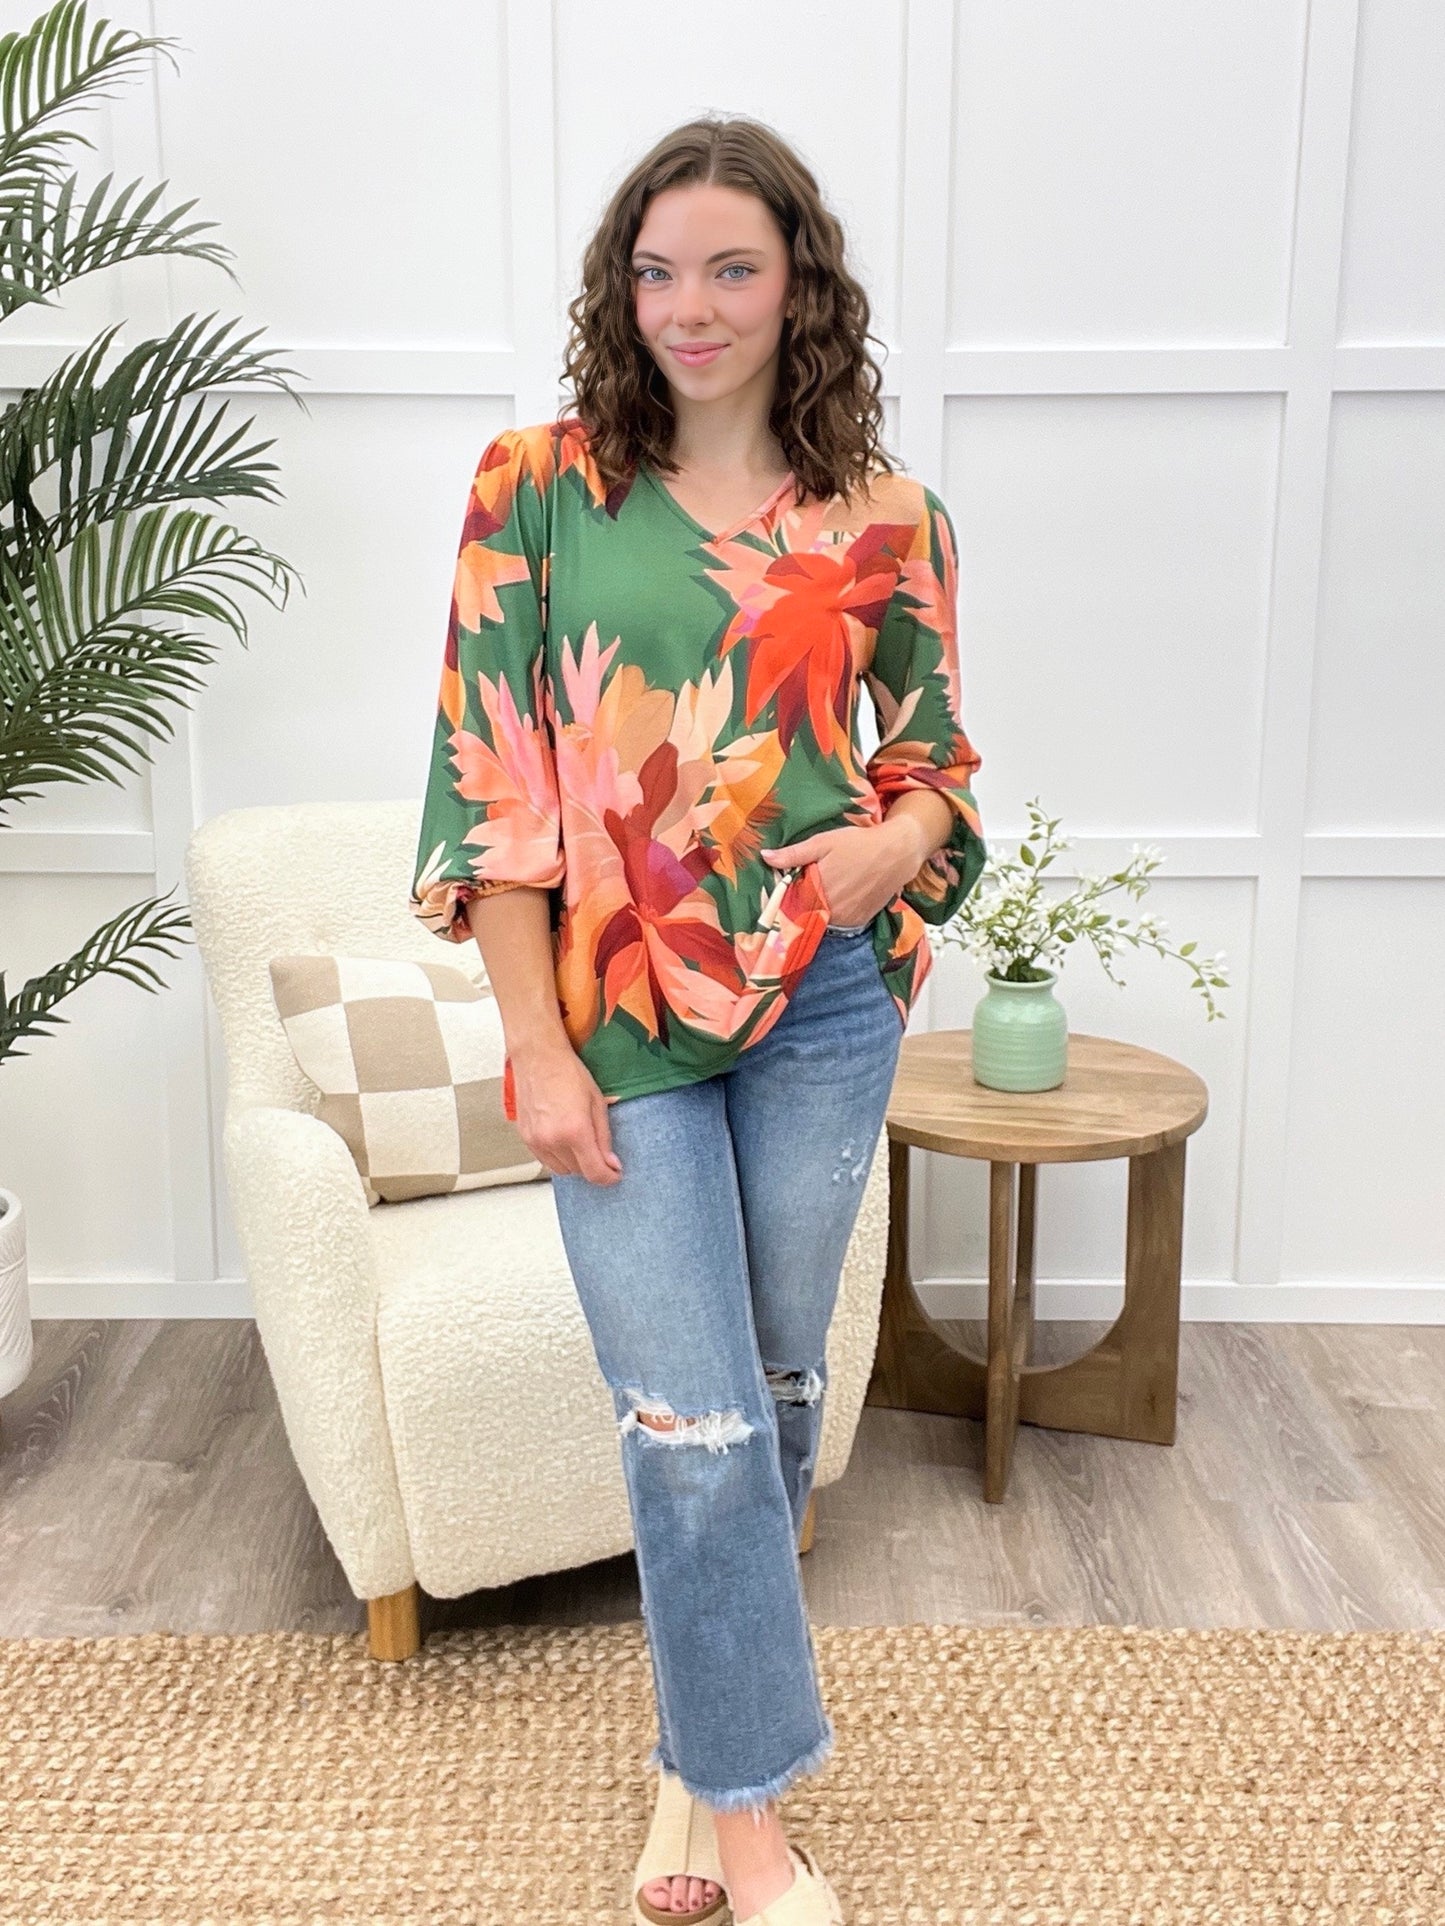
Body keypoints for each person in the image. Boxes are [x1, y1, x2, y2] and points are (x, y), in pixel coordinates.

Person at [410, 114, 985, 1926]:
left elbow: (934, 762)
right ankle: (750, 1824)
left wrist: (887, 845)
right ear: (620, 288)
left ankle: (693, 1745)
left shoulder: (888, 519)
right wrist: (533, 1040)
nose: (691, 306)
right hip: (615, 1007)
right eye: (657, 272)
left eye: (732, 267)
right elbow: (493, 785)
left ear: (800, 283)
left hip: (821, 998)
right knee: (691, 1417)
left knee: (776, 1386)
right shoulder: (536, 486)